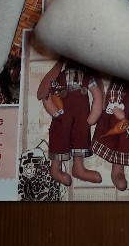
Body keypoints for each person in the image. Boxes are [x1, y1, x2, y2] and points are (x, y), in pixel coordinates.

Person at [38, 58, 103, 187]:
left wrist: (94, 115)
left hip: (81, 114)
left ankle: (78, 169)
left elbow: (97, 95)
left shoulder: (87, 78)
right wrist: (55, 113)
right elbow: (47, 95)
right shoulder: (59, 78)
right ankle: (55, 169)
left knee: (80, 136)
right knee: (60, 137)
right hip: (62, 116)